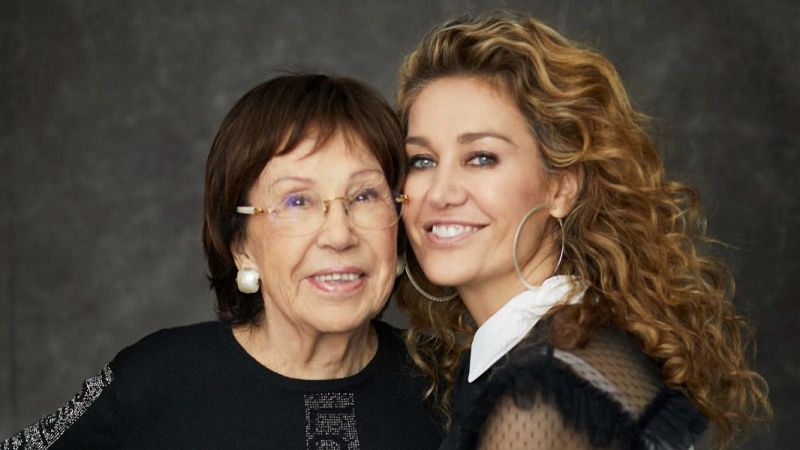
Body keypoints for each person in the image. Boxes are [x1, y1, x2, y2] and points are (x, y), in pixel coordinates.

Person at [2, 74, 443, 449]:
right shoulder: (158, 377)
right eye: (297, 201)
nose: (339, 234)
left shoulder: (444, 382)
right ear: (240, 245)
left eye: (365, 196)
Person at [394, 12, 771, 450]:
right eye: (421, 160)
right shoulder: (569, 347)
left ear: (561, 188)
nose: (440, 192)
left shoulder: (540, 395)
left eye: (481, 158)